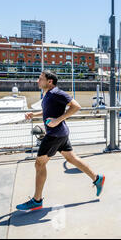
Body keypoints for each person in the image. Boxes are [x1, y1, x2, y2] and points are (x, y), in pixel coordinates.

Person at [17, 70, 105, 211]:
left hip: (55, 135)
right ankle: (97, 178)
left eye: (40, 79)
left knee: (39, 163)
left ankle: (37, 200)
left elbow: (76, 106)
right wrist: (34, 114)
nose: (37, 81)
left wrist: (57, 120)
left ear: (49, 81)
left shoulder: (56, 93)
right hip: (60, 133)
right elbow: (48, 111)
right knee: (71, 159)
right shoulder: (48, 95)